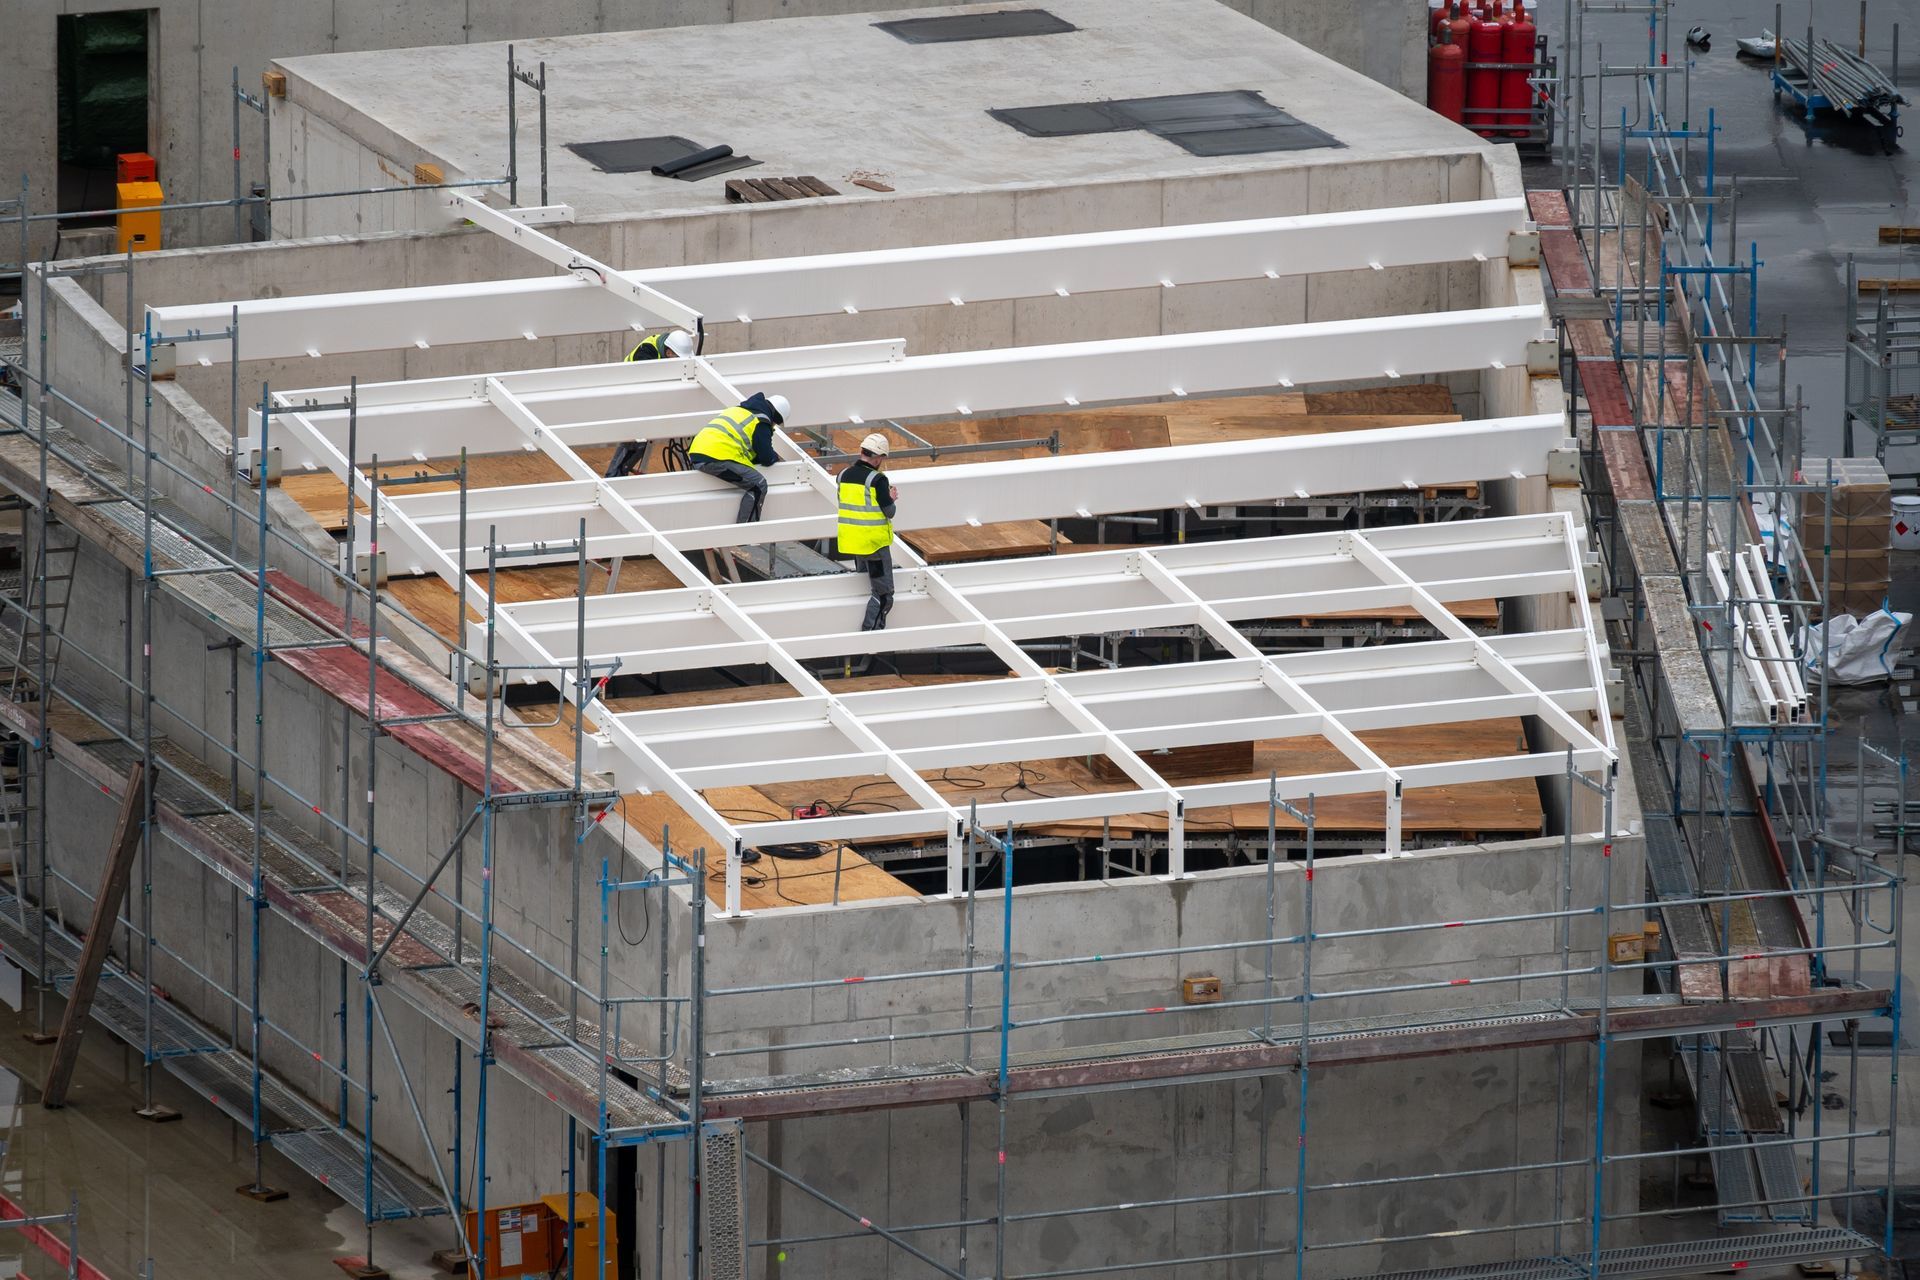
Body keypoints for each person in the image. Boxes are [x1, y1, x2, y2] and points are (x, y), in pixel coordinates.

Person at [606, 329, 696, 477]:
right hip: (629, 392)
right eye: (678, 359)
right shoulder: (646, 354)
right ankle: (613, 477)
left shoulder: (670, 348)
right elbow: (650, 384)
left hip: (647, 394)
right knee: (636, 438)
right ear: (668, 353)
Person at [687, 391, 787, 523]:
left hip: (699, 452)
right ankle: (746, 531)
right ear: (776, 417)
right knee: (759, 485)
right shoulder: (761, 421)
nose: (773, 426)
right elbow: (766, 457)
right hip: (717, 456)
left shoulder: (739, 410)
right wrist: (775, 457)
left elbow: (747, 446)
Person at [836, 432, 898, 632]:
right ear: (878, 457)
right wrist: (891, 497)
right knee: (884, 593)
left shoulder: (842, 475)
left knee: (863, 584)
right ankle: (870, 631)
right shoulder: (878, 480)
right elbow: (890, 511)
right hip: (874, 548)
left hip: (853, 543)